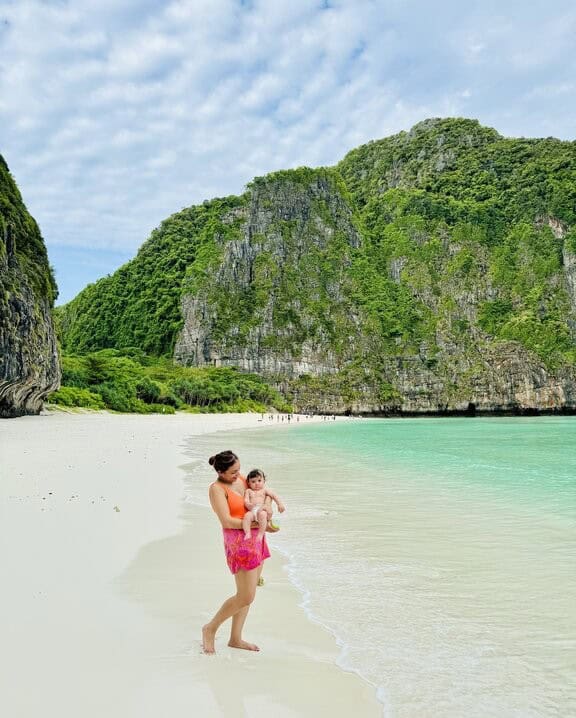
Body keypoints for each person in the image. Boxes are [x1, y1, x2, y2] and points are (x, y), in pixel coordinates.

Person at [202, 450, 272, 654]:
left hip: (256, 539)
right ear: (221, 472)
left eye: (239, 470)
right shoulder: (216, 489)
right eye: (233, 472)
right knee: (245, 595)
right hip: (239, 543)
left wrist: (267, 509)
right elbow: (226, 521)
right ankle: (210, 628)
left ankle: (235, 638)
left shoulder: (241, 479)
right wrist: (254, 523)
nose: (238, 475)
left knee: (249, 594)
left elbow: (263, 493)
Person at [242, 469, 286, 542]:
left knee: (262, 515)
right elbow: (246, 500)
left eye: (259, 481)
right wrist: (249, 504)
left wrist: (279, 504)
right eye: (253, 481)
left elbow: (274, 496)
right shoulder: (248, 491)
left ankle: (260, 534)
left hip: (262, 509)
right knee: (247, 516)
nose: (256, 483)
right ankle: (247, 532)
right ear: (249, 483)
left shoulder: (264, 490)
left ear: (264, 481)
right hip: (253, 510)